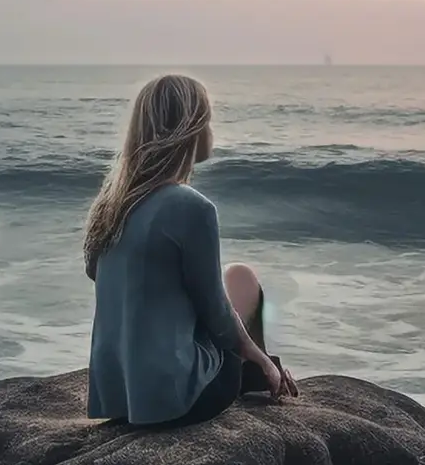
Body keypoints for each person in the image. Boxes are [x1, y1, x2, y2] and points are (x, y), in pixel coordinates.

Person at [84, 74, 298, 427]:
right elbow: (215, 313)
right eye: (207, 121)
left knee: (237, 276)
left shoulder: (111, 207)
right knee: (243, 288)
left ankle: (262, 368)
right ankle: (264, 372)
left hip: (120, 395)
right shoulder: (191, 207)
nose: (212, 132)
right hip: (180, 398)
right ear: (188, 129)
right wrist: (257, 356)